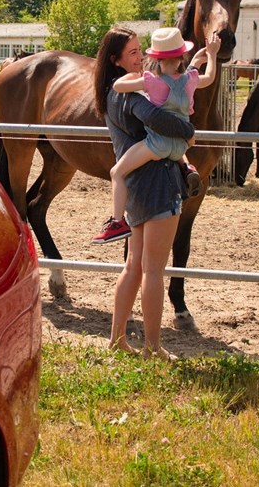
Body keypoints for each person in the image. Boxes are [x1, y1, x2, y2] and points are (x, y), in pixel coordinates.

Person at [93, 26, 195, 360]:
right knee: (154, 270)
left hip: (136, 187)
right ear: (116, 60)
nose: (140, 57)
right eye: (134, 52)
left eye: (141, 50)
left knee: (134, 266)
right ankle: (153, 347)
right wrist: (189, 131)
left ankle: (117, 339)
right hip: (158, 183)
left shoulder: (110, 92)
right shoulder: (132, 95)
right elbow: (162, 121)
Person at [92, 26, 220, 244]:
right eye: (134, 52)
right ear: (182, 57)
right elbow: (207, 78)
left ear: (157, 58)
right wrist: (210, 56)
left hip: (157, 145)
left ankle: (116, 221)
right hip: (180, 147)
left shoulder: (152, 81)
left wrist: (137, 78)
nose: (141, 57)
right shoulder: (189, 79)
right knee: (175, 133)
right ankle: (186, 165)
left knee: (117, 172)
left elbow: (120, 87)